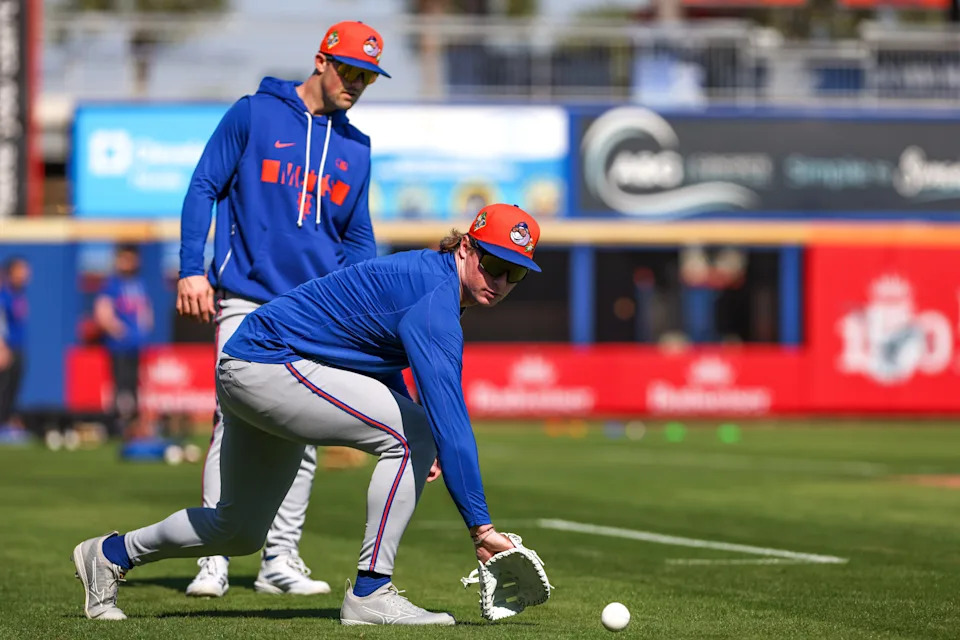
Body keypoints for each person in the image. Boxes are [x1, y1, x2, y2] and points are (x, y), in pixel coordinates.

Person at [72, 203, 542, 625]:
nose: (500, 282)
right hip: (269, 364)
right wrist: (481, 528)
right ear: (465, 248)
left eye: (515, 274)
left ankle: (109, 554)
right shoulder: (435, 297)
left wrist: (413, 425)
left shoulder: (428, 280)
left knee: (238, 530)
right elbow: (451, 421)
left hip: (251, 366)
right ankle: (371, 592)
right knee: (414, 434)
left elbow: (374, 353)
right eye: (495, 263)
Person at [176, 21, 388, 598]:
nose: (358, 82)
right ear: (321, 60)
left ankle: (280, 558)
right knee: (233, 421)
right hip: (246, 298)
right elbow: (203, 187)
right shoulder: (254, 114)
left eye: (368, 75)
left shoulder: (357, 148)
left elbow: (359, 238)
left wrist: (362, 312)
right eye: (349, 69)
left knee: (306, 433)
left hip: (312, 312)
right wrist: (192, 268)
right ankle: (213, 555)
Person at [94, 244, 153, 438]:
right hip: (119, 344)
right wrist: (118, 330)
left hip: (136, 344)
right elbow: (102, 310)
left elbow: (144, 310)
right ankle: (118, 423)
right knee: (120, 384)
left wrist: (144, 328)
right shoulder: (112, 284)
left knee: (134, 385)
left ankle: (133, 424)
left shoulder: (139, 283)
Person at [0, 256, 30, 430]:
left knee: (13, 387)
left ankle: (6, 424)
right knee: (3, 387)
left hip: (19, 347)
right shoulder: (4, 294)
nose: (24, 274)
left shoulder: (20, 293)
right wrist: (2, 347)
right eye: (20, 270)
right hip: (6, 348)